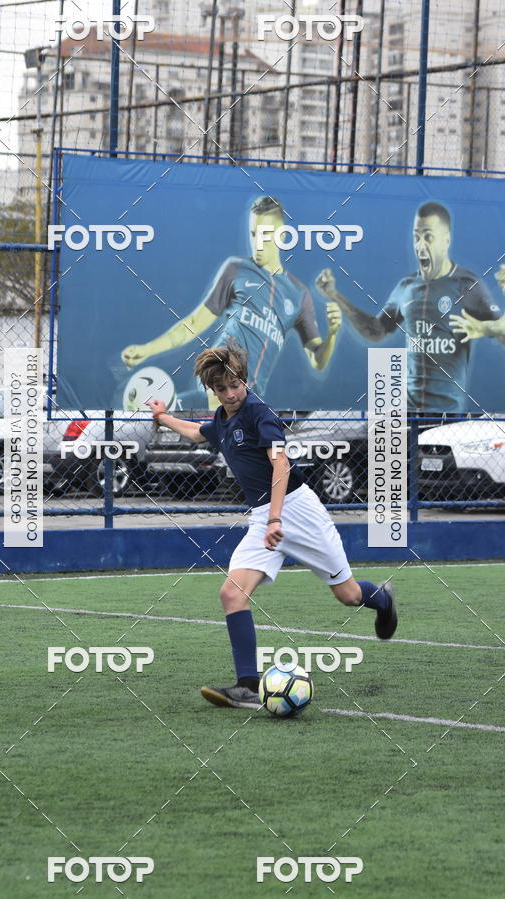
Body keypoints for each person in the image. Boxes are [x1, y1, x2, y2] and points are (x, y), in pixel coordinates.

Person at [146, 341, 397, 710]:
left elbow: (280, 466)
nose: (231, 394)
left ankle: (384, 600)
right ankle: (247, 685)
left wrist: (276, 518)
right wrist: (163, 417)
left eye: (236, 386)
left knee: (348, 596)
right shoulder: (222, 419)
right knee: (232, 593)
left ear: (245, 381)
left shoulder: (259, 412)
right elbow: (200, 432)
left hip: (297, 511)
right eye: (222, 389)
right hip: (264, 517)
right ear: (212, 391)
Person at [122, 195, 342, 408]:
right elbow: (194, 324)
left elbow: (317, 360)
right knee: (198, 412)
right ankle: (160, 409)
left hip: (250, 396)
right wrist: (147, 349)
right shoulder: (236, 268)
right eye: (253, 233)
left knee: (219, 435)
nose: (257, 242)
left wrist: (332, 333)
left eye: (265, 234)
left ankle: (164, 410)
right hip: (217, 379)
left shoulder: (299, 294)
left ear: (282, 236)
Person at [316, 202, 504, 412]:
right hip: (405, 414)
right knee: (383, 440)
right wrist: (335, 296)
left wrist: (485, 328)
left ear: (446, 241)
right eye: (416, 237)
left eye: (428, 237)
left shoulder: (467, 285)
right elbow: (375, 331)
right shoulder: (405, 287)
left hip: (445, 415)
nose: (420, 245)